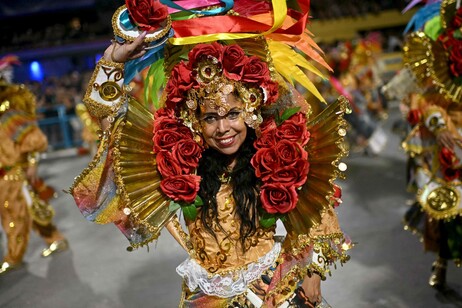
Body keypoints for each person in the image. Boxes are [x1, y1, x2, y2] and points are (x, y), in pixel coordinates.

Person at [70, 1, 351, 306]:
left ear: (249, 112)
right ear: (194, 121)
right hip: (208, 297)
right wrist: (113, 61)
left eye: (232, 113)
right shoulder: (176, 162)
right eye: (210, 118)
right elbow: (111, 122)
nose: (223, 128)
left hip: (277, 291)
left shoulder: (274, 155)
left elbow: (316, 203)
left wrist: (311, 270)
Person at [391, 0, 462, 289]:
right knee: (447, 214)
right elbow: (429, 101)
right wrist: (440, 126)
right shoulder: (443, 59)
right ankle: (442, 261)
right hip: (452, 148)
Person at [0, 56, 68, 275]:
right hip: (5, 178)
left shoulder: (8, 116)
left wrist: (31, 162)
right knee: (31, 211)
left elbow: (36, 139)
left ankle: (14, 257)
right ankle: (56, 240)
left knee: (16, 216)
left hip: (13, 177)